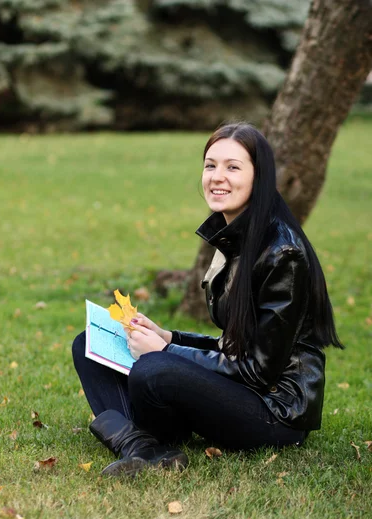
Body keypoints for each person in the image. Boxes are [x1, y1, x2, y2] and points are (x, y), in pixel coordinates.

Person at [72, 122, 343, 477]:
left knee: (154, 369)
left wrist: (165, 352)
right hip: (241, 389)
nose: (218, 177)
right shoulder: (237, 237)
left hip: (275, 412)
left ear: (259, 177)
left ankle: (137, 441)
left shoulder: (283, 254)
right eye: (210, 165)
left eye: (233, 167)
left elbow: (258, 369)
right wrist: (170, 338)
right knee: (90, 343)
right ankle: (144, 448)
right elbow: (234, 342)